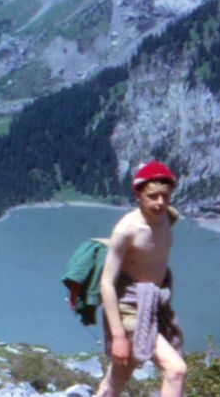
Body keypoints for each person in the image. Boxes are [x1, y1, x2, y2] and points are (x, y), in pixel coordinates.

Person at [96, 161, 186, 397]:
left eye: (165, 196)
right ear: (137, 194)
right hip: (129, 308)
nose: (160, 203)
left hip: (154, 304)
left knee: (117, 379)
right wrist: (118, 337)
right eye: (152, 196)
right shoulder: (127, 230)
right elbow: (106, 283)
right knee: (175, 370)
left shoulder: (168, 216)